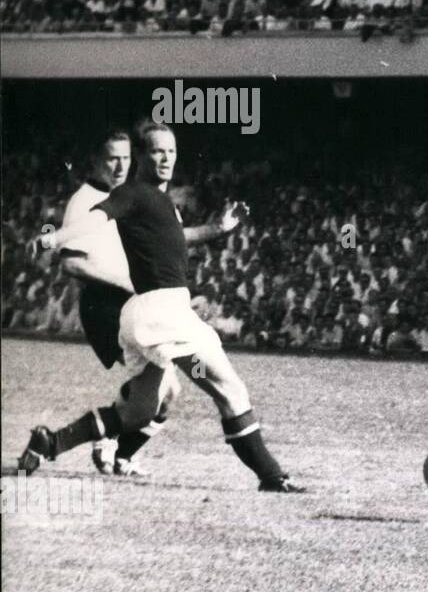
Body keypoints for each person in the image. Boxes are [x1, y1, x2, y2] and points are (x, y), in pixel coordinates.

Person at [20, 120, 305, 492]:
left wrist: (217, 229)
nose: (167, 157)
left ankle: (50, 442)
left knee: (139, 410)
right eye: (157, 150)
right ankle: (272, 476)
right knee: (229, 389)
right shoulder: (133, 193)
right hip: (164, 315)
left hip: (146, 316)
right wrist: (51, 238)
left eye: (171, 150)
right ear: (142, 156)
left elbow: (171, 238)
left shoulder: (158, 202)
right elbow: (93, 220)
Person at [59, 129, 167, 476]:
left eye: (125, 158)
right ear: (96, 161)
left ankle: (120, 451)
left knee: (166, 392)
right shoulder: (83, 200)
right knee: (161, 384)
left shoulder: (126, 196)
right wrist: (123, 280)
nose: (120, 166)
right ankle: (110, 438)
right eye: (112, 158)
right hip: (104, 307)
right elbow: (71, 262)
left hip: (131, 305)